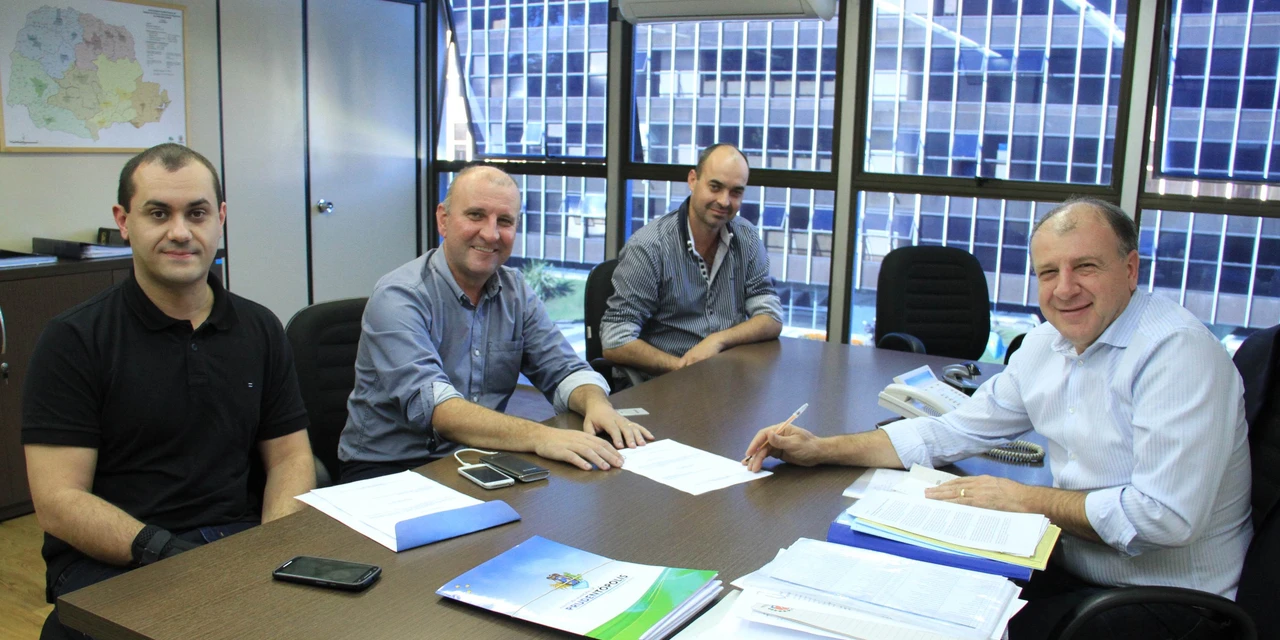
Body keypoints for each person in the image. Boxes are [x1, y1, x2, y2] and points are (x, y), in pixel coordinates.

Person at [743, 198, 1251, 639]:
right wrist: (820, 449)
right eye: (1048, 273)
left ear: (1131, 269)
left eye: (1086, 267)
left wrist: (1024, 499)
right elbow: (953, 429)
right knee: (906, 595)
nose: (1065, 289)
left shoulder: (1176, 354)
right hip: (1071, 564)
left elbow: (1163, 518)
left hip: (1165, 599)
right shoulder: (1047, 344)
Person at [22, 144, 315, 640]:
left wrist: (271, 549)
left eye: (197, 213)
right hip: (115, 557)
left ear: (220, 219)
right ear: (124, 221)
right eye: (158, 213)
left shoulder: (259, 327)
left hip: (235, 540)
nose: (180, 232)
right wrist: (168, 553)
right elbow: (58, 499)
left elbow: (290, 456)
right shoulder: (74, 339)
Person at [337, 165, 652, 483]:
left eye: (504, 221)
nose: (491, 234)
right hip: (390, 467)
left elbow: (565, 370)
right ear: (443, 219)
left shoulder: (515, 292)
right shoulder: (400, 296)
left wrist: (597, 404)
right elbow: (439, 410)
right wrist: (541, 436)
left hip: (476, 455)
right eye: (475, 215)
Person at [600, 144, 783, 386]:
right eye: (715, 187)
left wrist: (718, 340)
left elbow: (770, 315)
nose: (724, 201)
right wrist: (683, 368)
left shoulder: (746, 237)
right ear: (693, 180)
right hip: (665, 383)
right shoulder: (650, 246)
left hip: (726, 380)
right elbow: (615, 340)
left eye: (736, 192)